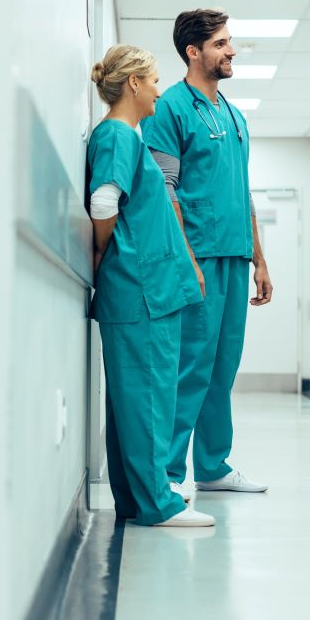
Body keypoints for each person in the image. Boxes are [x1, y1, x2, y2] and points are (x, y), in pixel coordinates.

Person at [141, 8, 270, 498]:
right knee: (191, 366)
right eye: (220, 43)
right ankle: (168, 474)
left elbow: (244, 191)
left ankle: (213, 466)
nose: (230, 50)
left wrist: (260, 258)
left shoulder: (234, 116)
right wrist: (187, 260)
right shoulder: (170, 108)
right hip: (197, 258)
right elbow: (165, 189)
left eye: (229, 42)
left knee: (222, 367)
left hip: (235, 258)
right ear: (193, 52)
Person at [86, 44, 214, 527]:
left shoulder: (125, 136)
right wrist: (106, 253)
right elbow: (104, 203)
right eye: (155, 79)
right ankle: (157, 503)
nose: (161, 89)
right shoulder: (119, 134)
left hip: (141, 287)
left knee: (134, 399)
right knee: (150, 397)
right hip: (140, 287)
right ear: (133, 84)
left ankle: (140, 501)